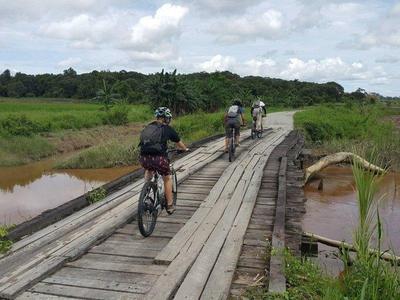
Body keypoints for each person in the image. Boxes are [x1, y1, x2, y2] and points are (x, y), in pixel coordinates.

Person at [139, 107, 188, 214]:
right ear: (166, 119)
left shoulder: (147, 127)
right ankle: (170, 205)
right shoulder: (167, 128)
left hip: (144, 158)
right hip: (159, 159)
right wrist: (185, 149)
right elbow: (179, 143)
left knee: (149, 169)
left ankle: (146, 192)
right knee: (167, 178)